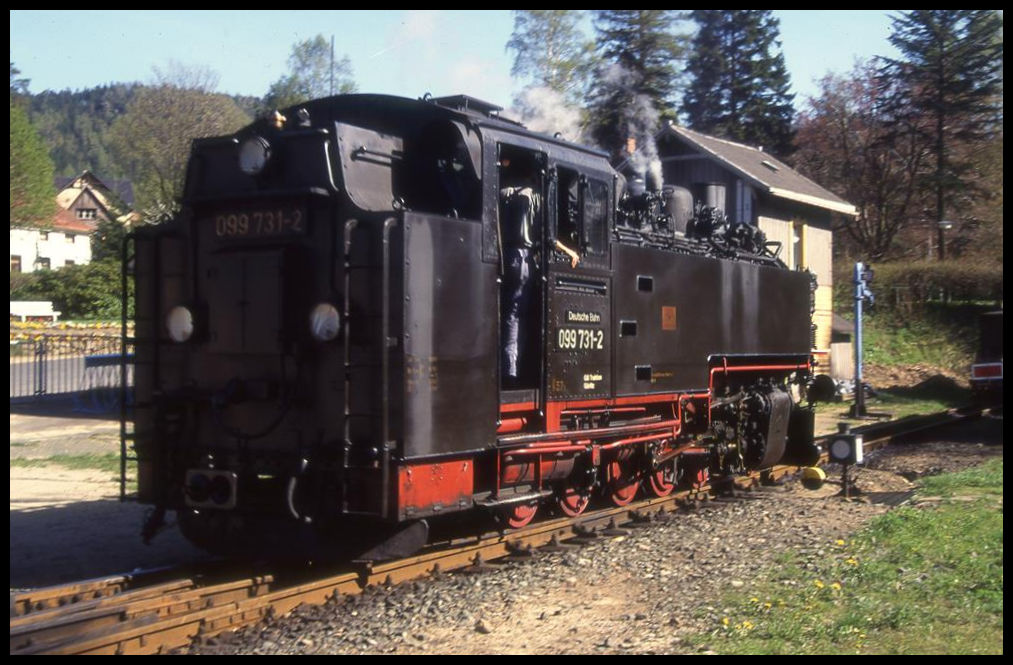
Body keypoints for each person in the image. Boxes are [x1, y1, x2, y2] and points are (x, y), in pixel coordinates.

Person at [500, 184, 579, 387]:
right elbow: (549, 238)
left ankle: (511, 366)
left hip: (505, 256)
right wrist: (570, 252)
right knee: (517, 315)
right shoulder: (535, 196)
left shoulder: (505, 192)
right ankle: (512, 371)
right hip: (523, 258)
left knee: (508, 312)